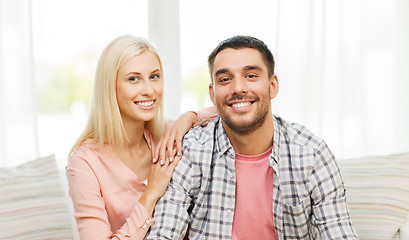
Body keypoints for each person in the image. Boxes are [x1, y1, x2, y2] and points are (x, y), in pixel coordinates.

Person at [146, 35, 358, 239]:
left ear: (272, 85)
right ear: (212, 94)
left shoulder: (311, 153)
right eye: (225, 79)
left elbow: (339, 231)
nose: (238, 88)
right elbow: (164, 232)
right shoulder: (192, 151)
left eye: (251, 76)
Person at [66, 35, 216, 240]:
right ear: (109, 87)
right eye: (133, 79)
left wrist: (188, 117)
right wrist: (151, 193)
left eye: (154, 76)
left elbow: (228, 113)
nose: (148, 90)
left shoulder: (169, 134)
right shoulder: (84, 163)